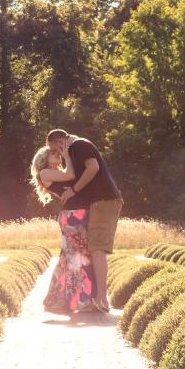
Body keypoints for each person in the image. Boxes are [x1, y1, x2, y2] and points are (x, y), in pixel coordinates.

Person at [45, 129, 123, 313]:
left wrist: (74, 190)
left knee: (97, 249)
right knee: (94, 249)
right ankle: (99, 298)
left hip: (105, 200)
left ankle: (102, 299)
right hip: (98, 202)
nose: (57, 154)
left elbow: (93, 167)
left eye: (54, 149)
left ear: (60, 142)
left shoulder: (78, 145)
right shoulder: (74, 150)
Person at [31, 145, 96, 313]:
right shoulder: (44, 172)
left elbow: (75, 177)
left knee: (68, 258)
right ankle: (82, 301)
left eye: (57, 152)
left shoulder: (59, 172)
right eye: (53, 153)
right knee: (78, 257)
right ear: (44, 159)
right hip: (72, 216)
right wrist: (67, 156)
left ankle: (58, 300)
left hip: (77, 214)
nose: (58, 154)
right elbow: (71, 175)